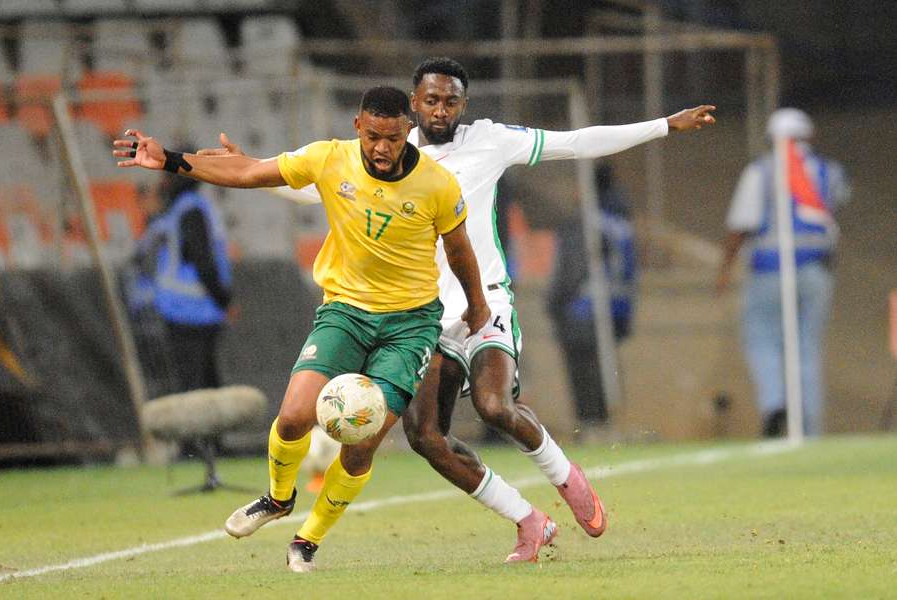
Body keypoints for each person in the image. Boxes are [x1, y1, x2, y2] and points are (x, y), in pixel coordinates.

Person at [198, 57, 716, 562]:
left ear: (463, 104)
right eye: (430, 100)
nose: (440, 110)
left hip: (484, 299)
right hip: (421, 317)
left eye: (450, 101)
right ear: (414, 102)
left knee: (494, 407)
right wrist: (249, 169)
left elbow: (575, 143)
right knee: (426, 436)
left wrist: (664, 126)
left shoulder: (490, 140)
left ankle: (566, 477)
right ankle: (529, 521)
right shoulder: (386, 150)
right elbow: (318, 191)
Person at [112, 86, 491, 573]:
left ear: (407, 133)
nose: (381, 148)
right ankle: (277, 498)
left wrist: (477, 304)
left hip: (409, 325)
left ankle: (306, 541)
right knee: (292, 417)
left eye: (393, 138)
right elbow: (249, 171)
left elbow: (459, 250)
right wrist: (168, 159)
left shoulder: (437, 184)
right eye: (373, 136)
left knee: (361, 446)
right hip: (345, 313)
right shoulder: (329, 160)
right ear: (357, 127)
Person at [716, 108, 850, 437]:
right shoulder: (829, 172)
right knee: (807, 348)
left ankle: (775, 407)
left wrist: (725, 269)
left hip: (768, 270)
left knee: (762, 340)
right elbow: (839, 202)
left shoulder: (762, 171)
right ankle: (809, 425)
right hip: (816, 270)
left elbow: (740, 224)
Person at [546, 163, 636, 435]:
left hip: (583, 308)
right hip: (616, 307)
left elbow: (572, 269)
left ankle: (591, 428)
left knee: (584, 374)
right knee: (604, 369)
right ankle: (605, 423)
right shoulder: (620, 221)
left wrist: (553, 303)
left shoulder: (585, 222)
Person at [133, 167, 232, 393]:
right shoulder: (192, 209)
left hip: (182, 309)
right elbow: (204, 261)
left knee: (196, 384)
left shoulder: (180, 210)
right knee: (201, 386)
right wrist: (223, 300)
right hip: (194, 310)